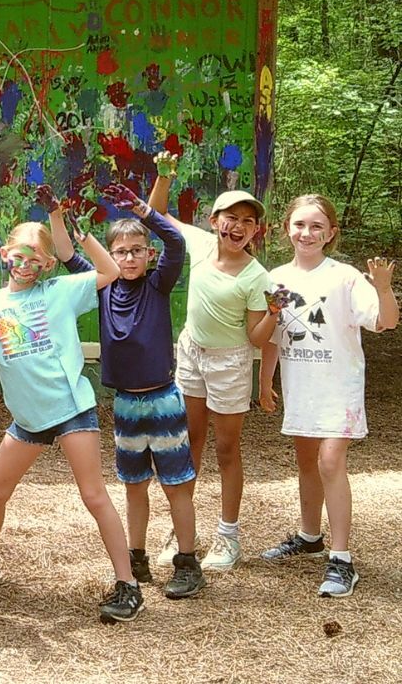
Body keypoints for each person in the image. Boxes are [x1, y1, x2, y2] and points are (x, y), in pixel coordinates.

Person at [0, 215, 146, 624]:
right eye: (19, 256)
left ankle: (128, 584)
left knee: (93, 495)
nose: (25, 265)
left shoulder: (60, 291)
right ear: (4, 256)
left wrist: (83, 236)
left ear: (48, 266)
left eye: (36, 259)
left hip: (72, 409)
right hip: (28, 419)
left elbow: (108, 271)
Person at [45, 182, 204, 599]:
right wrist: (57, 215)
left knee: (175, 485)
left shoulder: (159, 283)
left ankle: (187, 561)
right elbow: (64, 254)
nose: (129, 258)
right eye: (121, 252)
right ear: (111, 256)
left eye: (137, 250)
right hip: (126, 403)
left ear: (148, 254)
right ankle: (136, 557)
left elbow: (176, 239)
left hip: (163, 398)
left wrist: (142, 209)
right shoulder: (101, 286)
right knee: (134, 487)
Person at [257, 194, 398, 597]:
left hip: (339, 388)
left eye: (317, 226)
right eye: (300, 224)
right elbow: (273, 336)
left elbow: (385, 323)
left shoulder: (346, 277)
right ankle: (308, 536)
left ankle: (341, 559)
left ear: (331, 233)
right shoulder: (276, 279)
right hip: (302, 386)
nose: (307, 233)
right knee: (306, 462)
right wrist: (266, 381)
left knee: (330, 461)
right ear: (287, 229)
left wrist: (384, 290)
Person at [146, 151, 276, 571]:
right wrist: (164, 174)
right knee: (190, 444)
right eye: (230, 218)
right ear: (213, 219)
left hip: (229, 361)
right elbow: (157, 214)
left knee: (226, 449)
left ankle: (228, 536)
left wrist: (273, 314)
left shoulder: (258, 277)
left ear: (255, 230)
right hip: (191, 353)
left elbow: (255, 337)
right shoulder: (199, 245)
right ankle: (181, 532)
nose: (237, 227)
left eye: (247, 221)